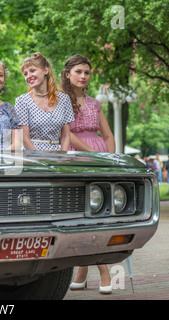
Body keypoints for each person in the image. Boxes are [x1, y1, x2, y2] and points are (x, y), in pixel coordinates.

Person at [62, 54, 114, 295]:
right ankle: (103, 270)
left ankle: (81, 272)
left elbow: (108, 135)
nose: (83, 76)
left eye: (87, 72)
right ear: (67, 74)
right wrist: (92, 154)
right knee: (82, 214)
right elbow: (68, 134)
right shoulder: (60, 101)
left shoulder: (94, 103)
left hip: (99, 159)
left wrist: (110, 160)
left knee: (97, 213)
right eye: (79, 72)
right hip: (77, 157)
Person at [15, 53, 74, 151]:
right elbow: (24, 138)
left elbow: (66, 136)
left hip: (56, 155)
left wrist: (62, 158)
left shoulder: (64, 99)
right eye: (25, 73)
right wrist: (39, 159)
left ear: (46, 70)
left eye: (32, 70)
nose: (28, 76)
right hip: (31, 156)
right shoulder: (22, 101)